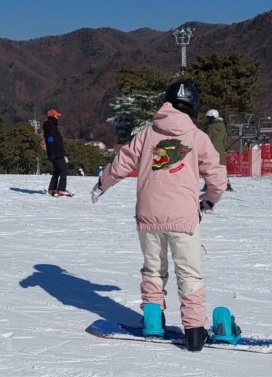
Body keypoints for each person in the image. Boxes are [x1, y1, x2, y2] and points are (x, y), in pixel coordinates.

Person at [91, 81, 227, 352]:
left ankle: (153, 322)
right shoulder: (198, 137)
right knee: (188, 273)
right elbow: (216, 176)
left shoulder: (146, 135)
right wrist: (210, 199)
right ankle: (194, 331)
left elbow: (121, 163)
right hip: (183, 218)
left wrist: (102, 185)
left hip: (148, 216)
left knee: (153, 269)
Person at [43, 109, 73, 197]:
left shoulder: (50, 126)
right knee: (63, 170)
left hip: (55, 152)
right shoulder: (51, 126)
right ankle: (61, 190)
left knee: (57, 171)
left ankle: (52, 189)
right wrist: (53, 152)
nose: (58, 117)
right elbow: (51, 140)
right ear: (52, 116)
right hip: (56, 152)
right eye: (56, 116)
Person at [204, 109, 233, 191]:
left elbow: (208, 140)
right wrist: (223, 148)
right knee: (222, 167)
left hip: (212, 149)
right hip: (221, 149)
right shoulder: (223, 126)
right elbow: (225, 138)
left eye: (209, 118)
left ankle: (208, 185)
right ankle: (227, 184)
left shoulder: (210, 127)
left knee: (211, 167)